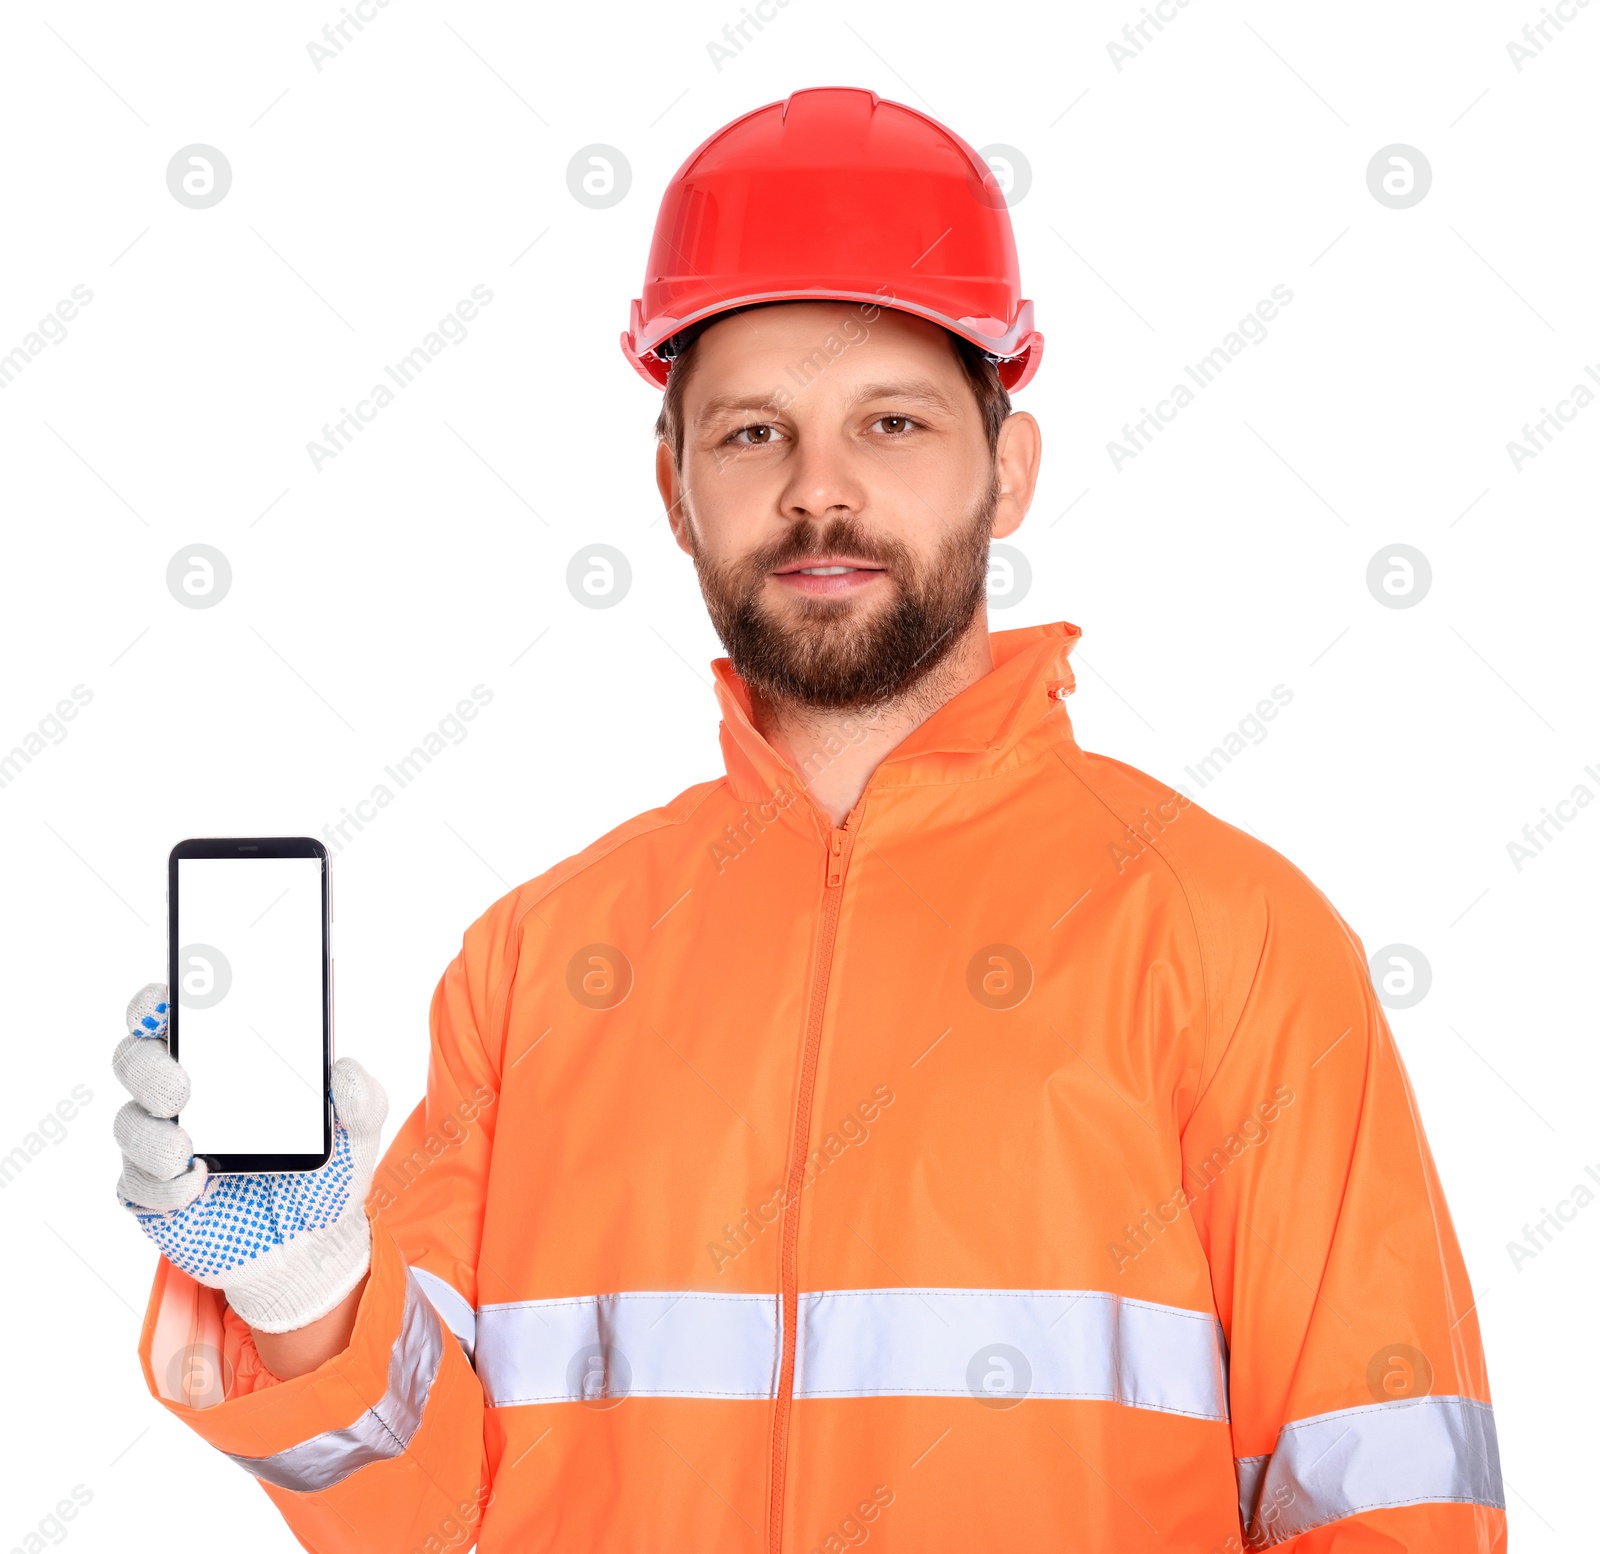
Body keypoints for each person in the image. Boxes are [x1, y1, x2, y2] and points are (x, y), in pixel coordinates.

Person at [112, 87, 1505, 1552]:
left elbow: (1386, 1498)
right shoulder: (536, 965)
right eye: (754, 432)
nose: (818, 491)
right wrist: (302, 1289)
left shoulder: (1237, 943)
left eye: (890, 422)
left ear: (1008, 470)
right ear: (675, 487)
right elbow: (423, 1504)